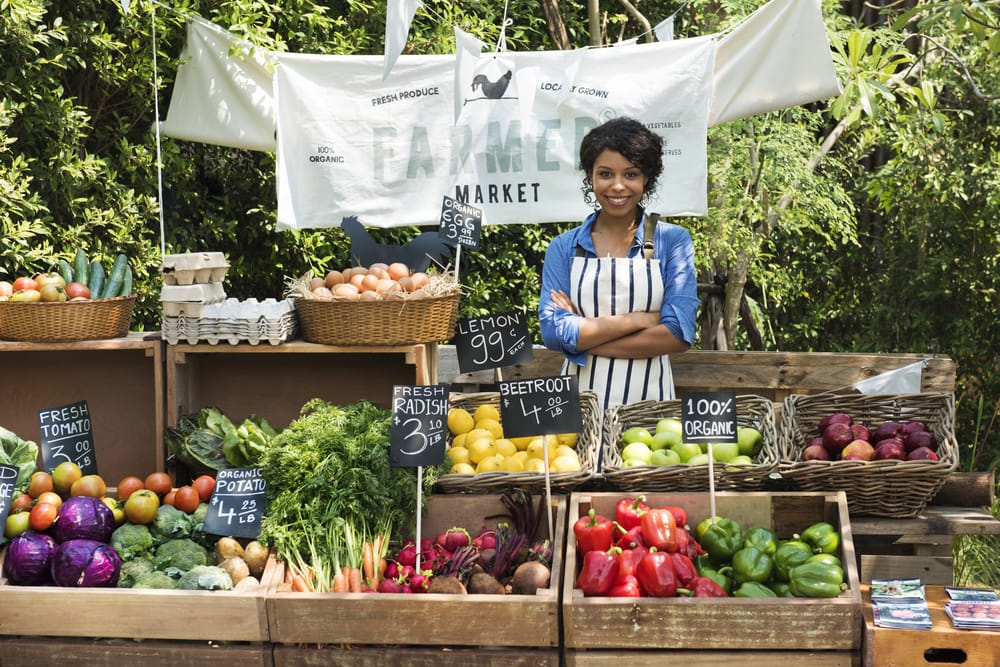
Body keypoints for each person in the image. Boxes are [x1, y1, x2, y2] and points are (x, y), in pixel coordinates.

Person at [538, 116, 699, 411]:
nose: (618, 186)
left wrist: (580, 341)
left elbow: (678, 334)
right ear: (590, 176)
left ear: (646, 178)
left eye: (631, 174)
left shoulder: (672, 241)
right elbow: (552, 333)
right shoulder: (564, 247)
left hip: (651, 413)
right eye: (606, 174)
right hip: (576, 408)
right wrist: (641, 319)